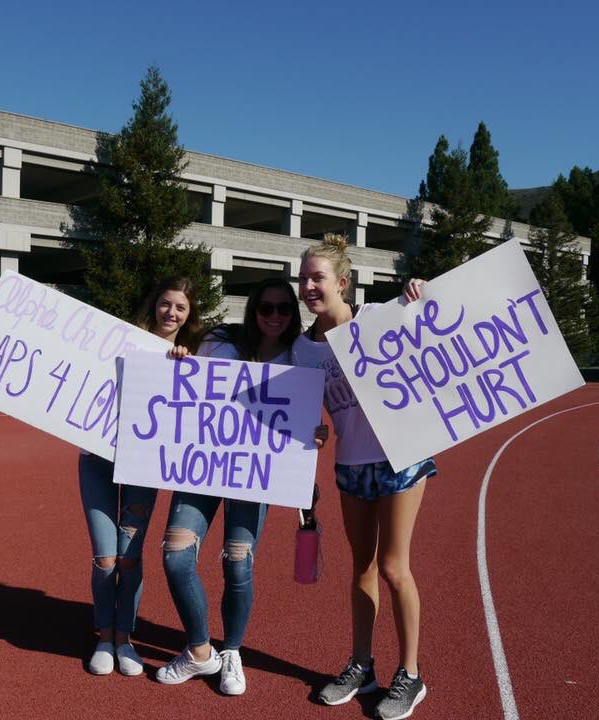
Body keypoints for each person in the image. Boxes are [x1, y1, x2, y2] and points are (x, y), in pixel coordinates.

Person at [292, 234, 433, 720]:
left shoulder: (377, 318)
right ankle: (362, 665)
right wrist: (309, 436)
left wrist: (421, 292)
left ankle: (410, 674)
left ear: (343, 282)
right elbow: (301, 414)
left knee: (394, 567)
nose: (308, 286)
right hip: (351, 466)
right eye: (303, 278)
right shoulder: (302, 349)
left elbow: (433, 327)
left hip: (400, 459)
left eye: (318, 277)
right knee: (362, 568)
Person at [155, 277, 312, 695]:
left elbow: (306, 416)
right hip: (201, 464)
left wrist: (312, 435)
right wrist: (178, 357)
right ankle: (199, 650)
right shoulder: (220, 341)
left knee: (238, 564)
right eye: (266, 307)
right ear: (252, 308)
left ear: (293, 314)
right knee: (176, 557)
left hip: (253, 472)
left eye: (283, 308)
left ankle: (233, 651)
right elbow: (179, 371)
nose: (274, 316)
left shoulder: (300, 356)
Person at [79, 277, 202, 676]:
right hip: (97, 458)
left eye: (180, 307)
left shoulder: (189, 360)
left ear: (189, 315)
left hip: (144, 466)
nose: (171, 312)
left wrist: (183, 362)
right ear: (154, 304)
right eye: (166, 303)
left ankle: (124, 638)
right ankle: (104, 636)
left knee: (129, 558)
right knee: (105, 557)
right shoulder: (120, 341)